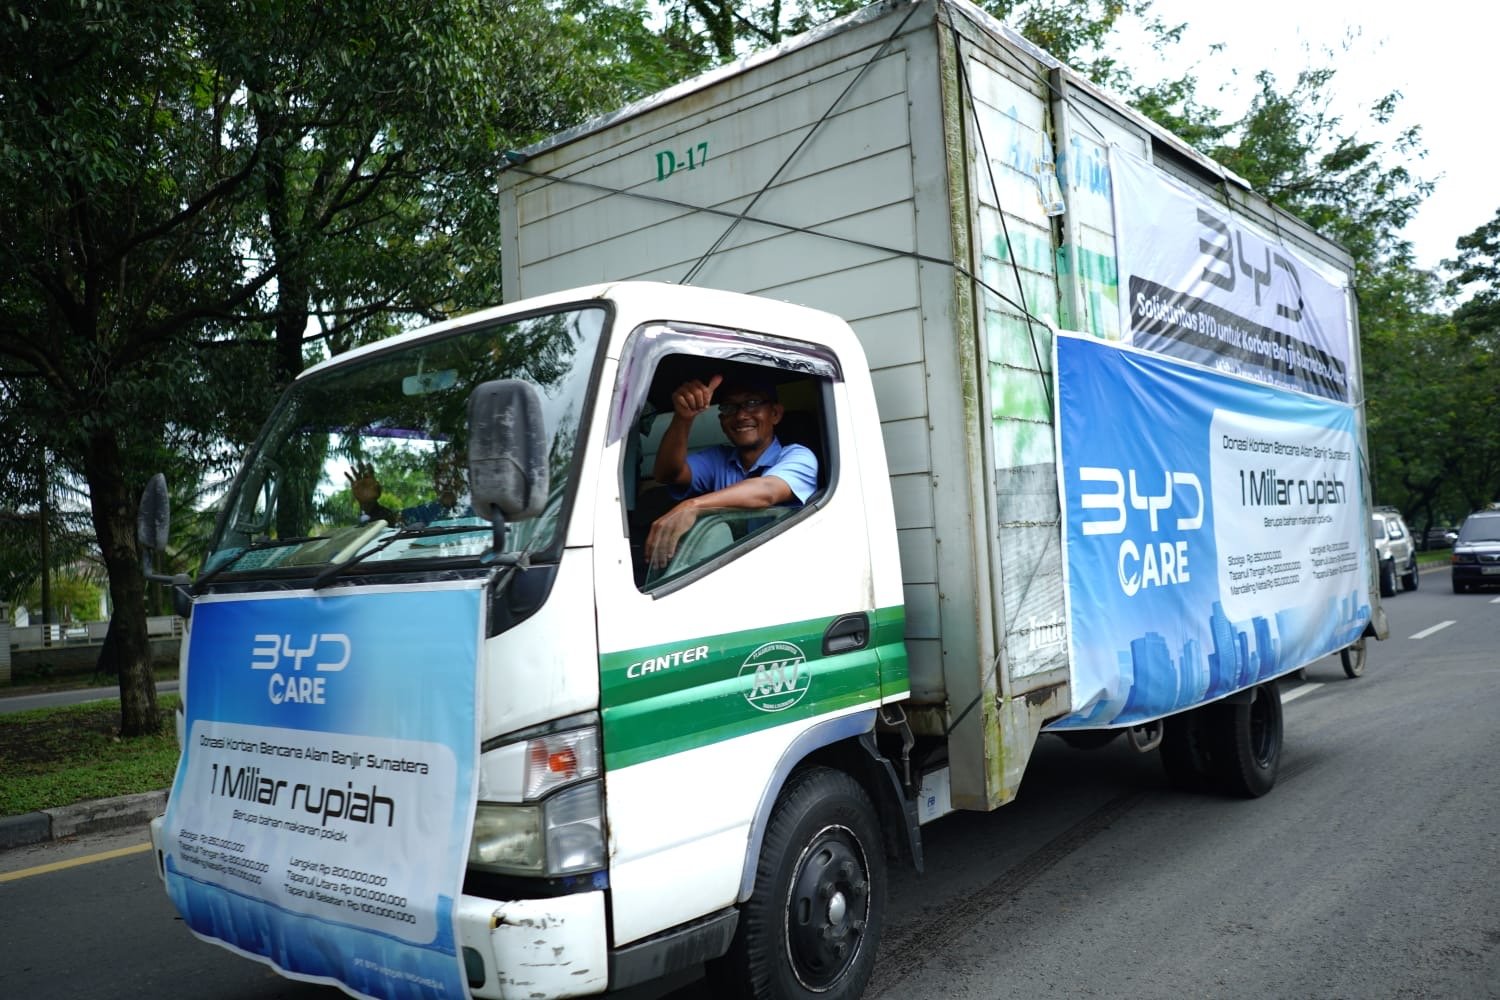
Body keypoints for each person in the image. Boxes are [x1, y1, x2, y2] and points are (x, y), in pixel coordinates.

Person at [645, 374, 818, 569]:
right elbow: (667, 474)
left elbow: (768, 490)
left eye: (752, 403)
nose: (741, 415)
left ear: (775, 414)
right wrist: (683, 419)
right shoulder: (718, 458)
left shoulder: (799, 456)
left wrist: (692, 506)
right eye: (729, 407)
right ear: (722, 421)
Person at [346, 453, 467, 526]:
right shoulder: (422, 513)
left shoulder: (478, 510)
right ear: (434, 482)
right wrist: (369, 505)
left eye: (454, 473)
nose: (445, 480)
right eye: (440, 473)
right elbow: (387, 525)